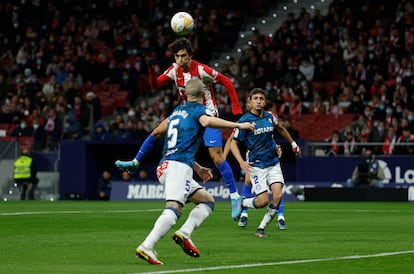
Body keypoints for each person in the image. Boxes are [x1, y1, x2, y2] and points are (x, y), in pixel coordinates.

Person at [116, 79, 253, 265]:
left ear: (186, 94)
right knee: (174, 208)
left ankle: (185, 232)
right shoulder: (199, 111)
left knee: (207, 201)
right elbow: (208, 121)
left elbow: (157, 134)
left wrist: (197, 168)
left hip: (166, 166)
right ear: (204, 95)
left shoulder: (176, 112)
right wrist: (238, 125)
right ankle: (147, 246)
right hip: (177, 168)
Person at [117, 37, 244, 220]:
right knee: (157, 131)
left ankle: (234, 197)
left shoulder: (202, 70)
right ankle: (135, 162)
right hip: (186, 113)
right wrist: (152, 71)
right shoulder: (174, 69)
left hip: (206, 113)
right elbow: (155, 85)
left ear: (190, 55)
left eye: (183, 56)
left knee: (216, 157)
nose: (180, 60)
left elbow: (228, 82)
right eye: (177, 56)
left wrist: (236, 108)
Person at [230, 88, 300, 237]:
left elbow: (280, 129)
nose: (258, 101)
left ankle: (261, 229)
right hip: (257, 166)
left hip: (273, 163)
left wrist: (293, 144)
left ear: (265, 101)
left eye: (261, 98)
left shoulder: (270, 117)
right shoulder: (244, 121)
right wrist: (242, 162)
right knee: (262, 201)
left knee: (278, 195)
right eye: (255, 98)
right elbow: (233, 144)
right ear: (249, 102)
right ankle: (241, 203)